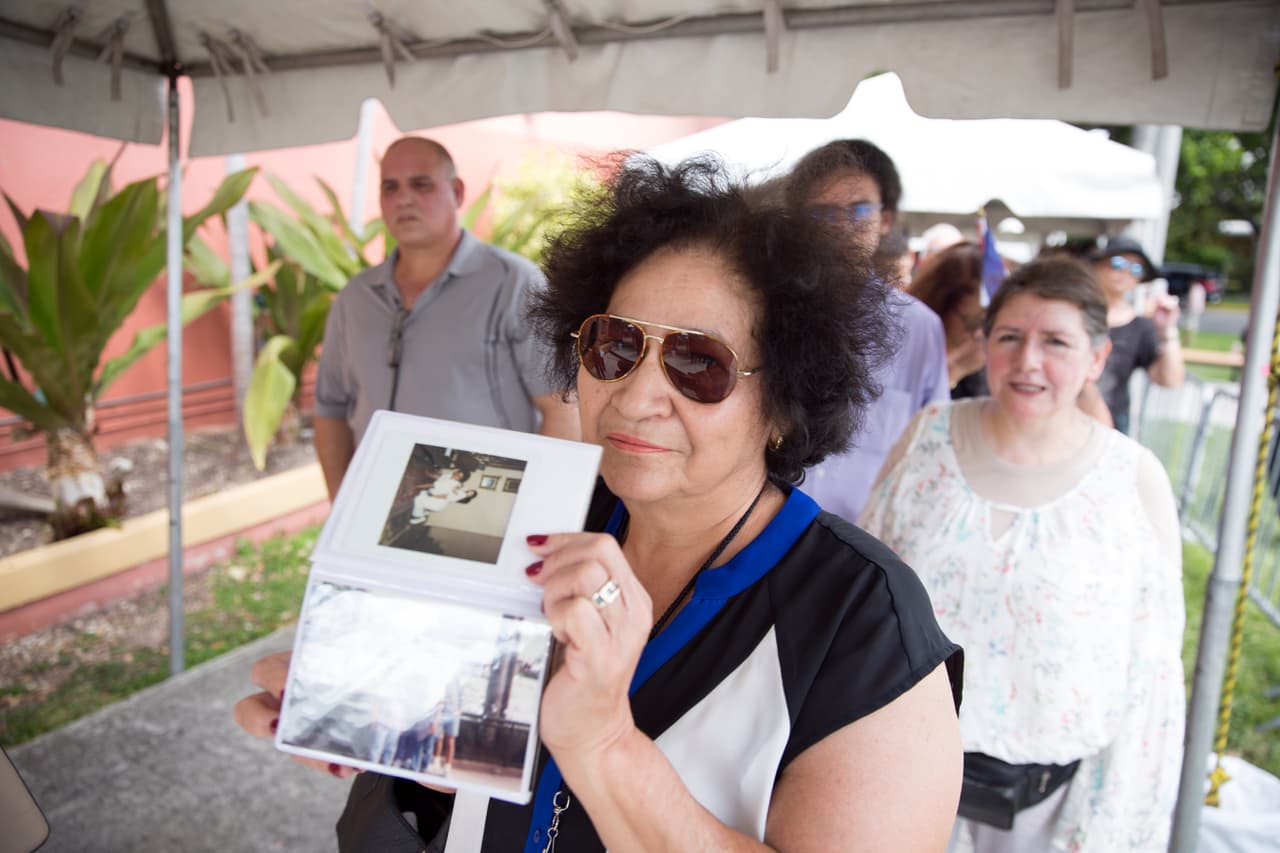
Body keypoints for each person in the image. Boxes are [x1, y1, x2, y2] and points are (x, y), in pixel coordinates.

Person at [236, 156, 964, 850]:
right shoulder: (532, 510)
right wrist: (370, 722)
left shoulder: (864, 624)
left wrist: (603, 743)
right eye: (614, 347)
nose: (637, 395)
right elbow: (440, 751)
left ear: (783, 403)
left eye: (698, 363)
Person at [860, 257, 1185, 852]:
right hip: (901, 782)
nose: (1027, 361)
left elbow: (1152, 674)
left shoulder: (1131, 479)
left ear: (1097, 357)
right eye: (1009, 337)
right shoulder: (928, 438)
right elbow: (863, 601)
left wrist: (1113, 825)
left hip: (1050, 810)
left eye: (1056, 341)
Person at [312, 136, 580, 500]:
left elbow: (562, 405)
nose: (403, 198)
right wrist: (339, 503)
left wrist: (538, 509)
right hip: (376, 506)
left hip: (481, 507)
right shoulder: (355, 297)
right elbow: (330, 408)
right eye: (390, 187)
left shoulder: (513, 283)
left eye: (420, 184)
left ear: (456, 192)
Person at [783, 138, 949, 523]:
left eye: (859, 210)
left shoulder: (920, 328)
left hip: (867, 542)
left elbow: (933, 446)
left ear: (885, 220)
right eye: (822, 214)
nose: (841, 227)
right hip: (767, 532)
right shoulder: (769, 308)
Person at [1090, 235, 1185, 433]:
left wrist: (1168, 331)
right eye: (1118, 263)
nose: (1125, 272)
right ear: (1098, 265)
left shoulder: (1140, 326)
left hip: (1110, 425)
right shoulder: (1073, 313)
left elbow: (1169, 380)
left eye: (1135, 268)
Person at [907, 242, 988, 395]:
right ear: (940, 303)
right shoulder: (904, 348)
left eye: (989, 324)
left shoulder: (982, 363)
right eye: (971, 323)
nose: (979, 334)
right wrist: (955, 370)